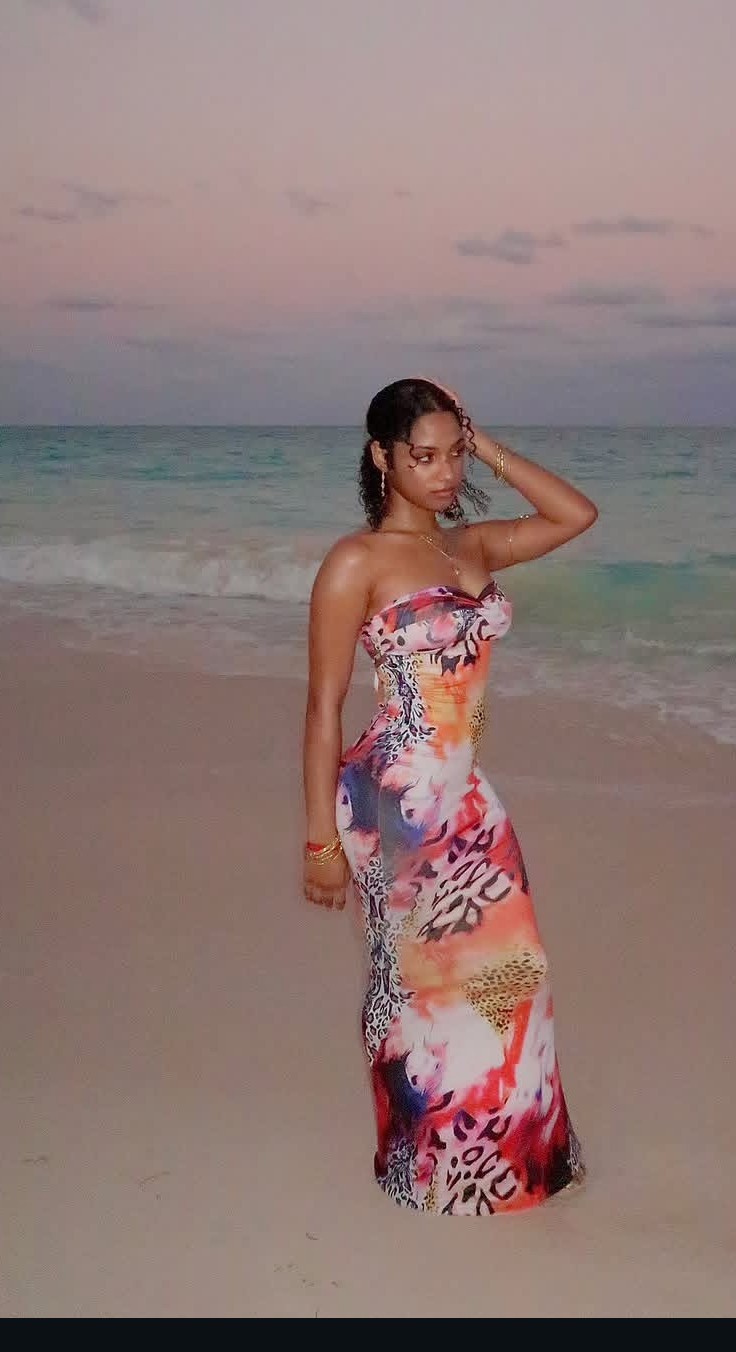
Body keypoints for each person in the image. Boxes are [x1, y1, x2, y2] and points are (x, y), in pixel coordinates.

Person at [302, 377, 597, 1215]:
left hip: (468, 798)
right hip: (391, 802)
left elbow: (575, 514)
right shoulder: (355, 562)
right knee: (418, 990)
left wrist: (488, 444)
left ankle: (518, 1161)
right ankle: (425, 1168)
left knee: (515, 973)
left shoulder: (472, 547)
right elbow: (323, 707)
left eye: (453, 456)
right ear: (381, 457)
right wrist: (320, 840)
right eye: (423, 456)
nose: (442, 473)